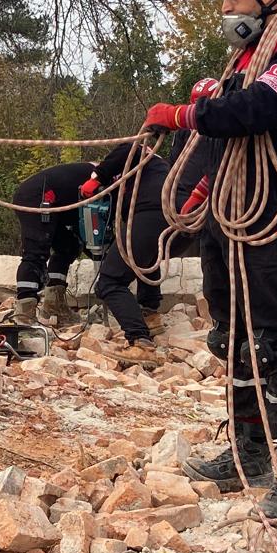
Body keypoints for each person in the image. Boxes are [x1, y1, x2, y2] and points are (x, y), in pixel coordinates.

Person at [141, 0, 277, 519]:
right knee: (232, 337)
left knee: (274, 341)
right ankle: (249, 452)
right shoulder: (246, 60)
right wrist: (197, 187)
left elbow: (255, 112)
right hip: (231, 210)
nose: (226, 9)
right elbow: (223, 130)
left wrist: (185, 113)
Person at [76, 81, 215, 366]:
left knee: (110, 282)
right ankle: (150, 315)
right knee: (142, 260)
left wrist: (97, 179)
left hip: (160, 213)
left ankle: (140, 342)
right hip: (187, 226)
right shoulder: (206, 142)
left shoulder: (150, 161)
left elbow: (130, 149)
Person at [9, 161, 99, 324]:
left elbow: (88, 233)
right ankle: (24, 314)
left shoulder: (104, 176)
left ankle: (54, 304)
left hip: (57, 201)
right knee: (35, 252)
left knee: (69, 246)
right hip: (39, 196)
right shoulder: (108, 179)